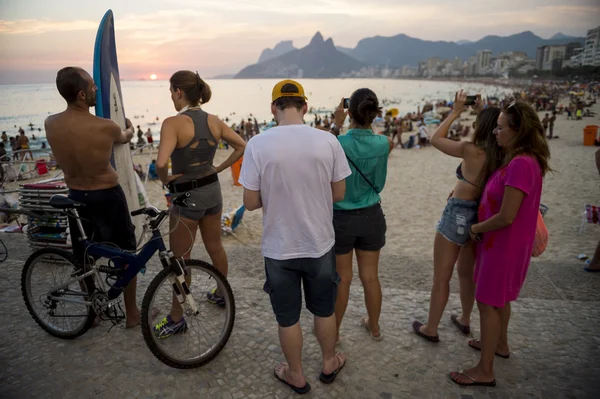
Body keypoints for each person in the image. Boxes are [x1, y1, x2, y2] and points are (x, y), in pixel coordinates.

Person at [239, 80, 351, 395]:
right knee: (324, 310)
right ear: (304, 106)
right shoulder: (328, 142)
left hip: (279, 248)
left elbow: (249, 202)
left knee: (288, 317)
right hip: (319, 244)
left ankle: (296, 374)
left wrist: (274, 192)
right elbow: (339, 194)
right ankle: (330, 361)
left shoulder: (257, 144)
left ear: (273, 108)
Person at [450, 100, 551, 386]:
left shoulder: (520, 164)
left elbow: (507, 216)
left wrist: (476, 227)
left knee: (487, 302)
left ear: (517, 130)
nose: (495, 132)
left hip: (503, 245)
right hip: (504, 245)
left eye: (500, 127)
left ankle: (485, 370)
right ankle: (499, 344)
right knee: (500, 299)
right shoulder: (520, 158)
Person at [44, 66, 143, 327]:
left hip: (76, 197)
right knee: (127, 254)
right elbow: (124, 137)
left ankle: (93, 312)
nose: (96, 89)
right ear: (80, 95)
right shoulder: (106, 127)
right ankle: (132, 314)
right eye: (92, 86)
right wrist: (130, 128)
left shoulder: (50, 124)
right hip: (107, 196)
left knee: (84, 257)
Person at [154, 70, 245, 337]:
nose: (171, 96)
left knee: (180, 259)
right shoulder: (214, 121)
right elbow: (241, 145)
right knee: (215, 246)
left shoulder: (172, 123)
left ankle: (176, 318)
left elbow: (160, 163)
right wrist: (217, 168)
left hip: (187, 197)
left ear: (179, 93)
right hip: (212, 193)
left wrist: (165, 179)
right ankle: (220, 293)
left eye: (171, 92)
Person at [413, 92, 501, 342]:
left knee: (442, 275)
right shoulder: (501, 155)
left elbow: (435, 139)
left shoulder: (470, 150)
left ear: (481, 127)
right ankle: (465, 318)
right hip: (481, 214)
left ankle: (431, 328)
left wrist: (455, 111)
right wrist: (483, 112)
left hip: (459, 212)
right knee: (466, 272)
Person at [329, 90, 393, 343]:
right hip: (371, 214)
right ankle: (374, 326)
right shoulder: (384, 143)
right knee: (370, 276)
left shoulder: (338, 143)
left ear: (350, 112)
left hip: (342, 217)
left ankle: (333, 333)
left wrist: (336, 123)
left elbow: (322, 145)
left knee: (342, 278)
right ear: (374, 113)